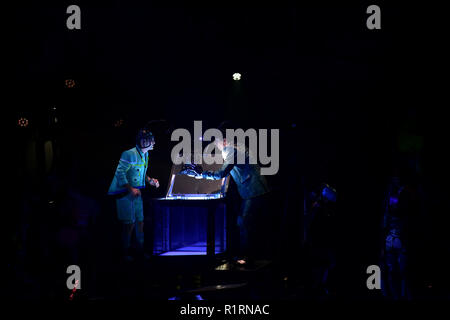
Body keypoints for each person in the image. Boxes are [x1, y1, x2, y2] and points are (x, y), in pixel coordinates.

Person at [181, 125, 271, 267]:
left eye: (215, 142)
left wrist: (201, 174)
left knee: (245, 223)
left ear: (223, 141)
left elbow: (222, 173)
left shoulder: (231, 150)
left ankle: (248, 257)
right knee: (246, 223)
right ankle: (249, 255)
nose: (215, 146)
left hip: (254, 191)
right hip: (256, 190)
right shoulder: (236, 147)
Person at [108, 128, 160, 262]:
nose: (154, 142)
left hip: (136, 193)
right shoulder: (129, 154)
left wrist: (150, 180)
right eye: (151, 140)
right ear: (144, 141)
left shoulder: (145, 155)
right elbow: (120, 173)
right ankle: (125, 252)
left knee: (140, 221)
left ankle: (140, 250)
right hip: (124, 194)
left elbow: (141, 173)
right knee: (128, 224)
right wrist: (130, 188)